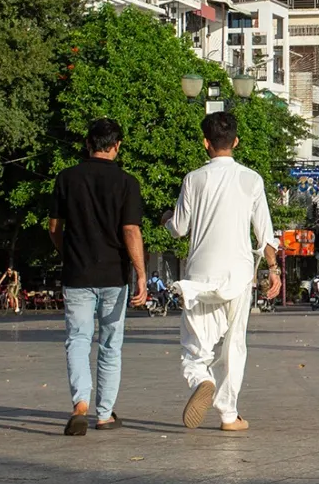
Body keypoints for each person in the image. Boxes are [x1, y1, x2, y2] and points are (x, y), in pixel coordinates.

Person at [168, 110, 279, 432]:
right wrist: (273, 269)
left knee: (195, 344)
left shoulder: (193, 179)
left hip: (200, 275)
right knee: (234, 344)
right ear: (236, 141)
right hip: (239, 275)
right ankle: (229, 415)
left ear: (206, 143)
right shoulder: (251, 179)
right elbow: (264, 233)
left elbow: (179, 228)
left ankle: (200, 379)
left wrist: (166, 220)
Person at [51, 118, 147, 436]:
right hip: (114, 275)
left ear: (87, 144)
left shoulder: (66, 178)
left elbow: (54, 227)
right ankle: (104, 414)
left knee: (78, 339)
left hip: (77, 273)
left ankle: (80, 403)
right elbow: (130, 230)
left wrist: (67, 253)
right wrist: (141, 273)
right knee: (110, 344)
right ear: (117, 146)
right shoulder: (127, 183)